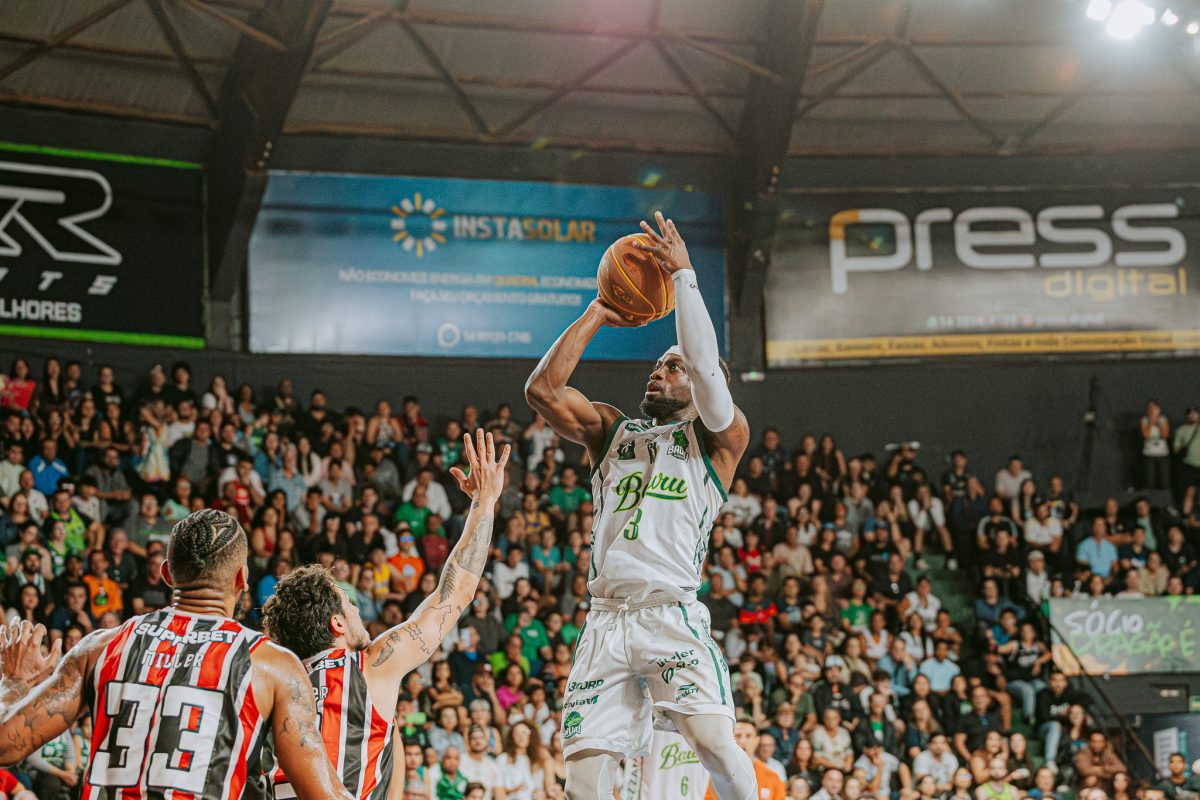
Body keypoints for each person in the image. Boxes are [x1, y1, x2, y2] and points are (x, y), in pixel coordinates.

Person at [525, 213, 753, 800]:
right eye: (657, 364)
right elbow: (542, 392)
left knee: (713, 745)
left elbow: (704, 365)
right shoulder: (612, 432)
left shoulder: (718, 439)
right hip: (603, 622)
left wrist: (684, 278)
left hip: (669, 613)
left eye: (672, 365)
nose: (660, 370)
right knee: (583, 786)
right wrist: (600, 311)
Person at [0, 508, 355, 800]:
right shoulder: (271, 665)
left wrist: (13, 684)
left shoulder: (100, 647)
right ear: (242, 580)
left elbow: (6, 745)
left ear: (167, 574)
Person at [262, 430, 509, 800]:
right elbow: (456, 592)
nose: (359, 609)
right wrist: (485, 501)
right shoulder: (369, 667)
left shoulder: (272, 690)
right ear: (337, 624)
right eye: (349, 604)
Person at [704, 721, 787, 800]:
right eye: (738, 736)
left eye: (748, 736)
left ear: (756, 740)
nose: (743, 741)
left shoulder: (772, 778)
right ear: (729, 739)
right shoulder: (716, 776)